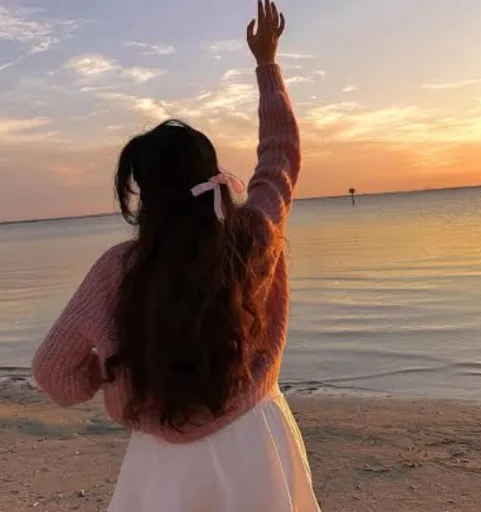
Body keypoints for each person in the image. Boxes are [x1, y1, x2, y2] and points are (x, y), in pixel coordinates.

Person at [32, 1, 321, 510]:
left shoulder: (119, 269)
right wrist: (266, 63)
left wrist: (109, 370)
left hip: (163, 458)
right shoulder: (254, 236)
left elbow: (55, 374)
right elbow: (281, 154)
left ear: (145, 195)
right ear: (213, 176)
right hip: (256, 438)